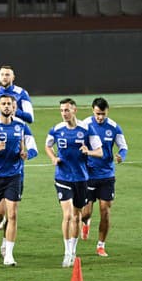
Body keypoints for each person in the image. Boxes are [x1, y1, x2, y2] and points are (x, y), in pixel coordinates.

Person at [0, 94, 36, 266]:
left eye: (9, 104)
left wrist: (27, 154)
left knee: (13, 214)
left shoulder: (21, 126)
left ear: (14, 107)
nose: (6, 106)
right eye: (3, 104)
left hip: (14, 175)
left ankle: (9, 254)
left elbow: (32, 148)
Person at [45, 98, 102, 268]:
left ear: (74, 110)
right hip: (63, 177)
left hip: (81, 178)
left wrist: (88, 151)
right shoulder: (56, 129)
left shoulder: (86, 129)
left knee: (77, 216)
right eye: (62, 110)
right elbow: (47, 145)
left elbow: (99, 151)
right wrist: (53, 158)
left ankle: (73, 249)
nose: (64, 113)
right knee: (68, 215)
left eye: (67, 110)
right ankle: (66, 252)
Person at [80, 97, 128, 258]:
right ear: (92, 110)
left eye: (103, 114)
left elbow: (123, 147)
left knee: (105, 211)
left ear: (107, 111)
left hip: (107, 175)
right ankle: (85, 222)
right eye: (97, 113)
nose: (100, 117)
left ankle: (101, 245)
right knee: (85, 213)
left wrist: (121, 156)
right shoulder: (85, 125)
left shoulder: (114, 127)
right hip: (88, 175)